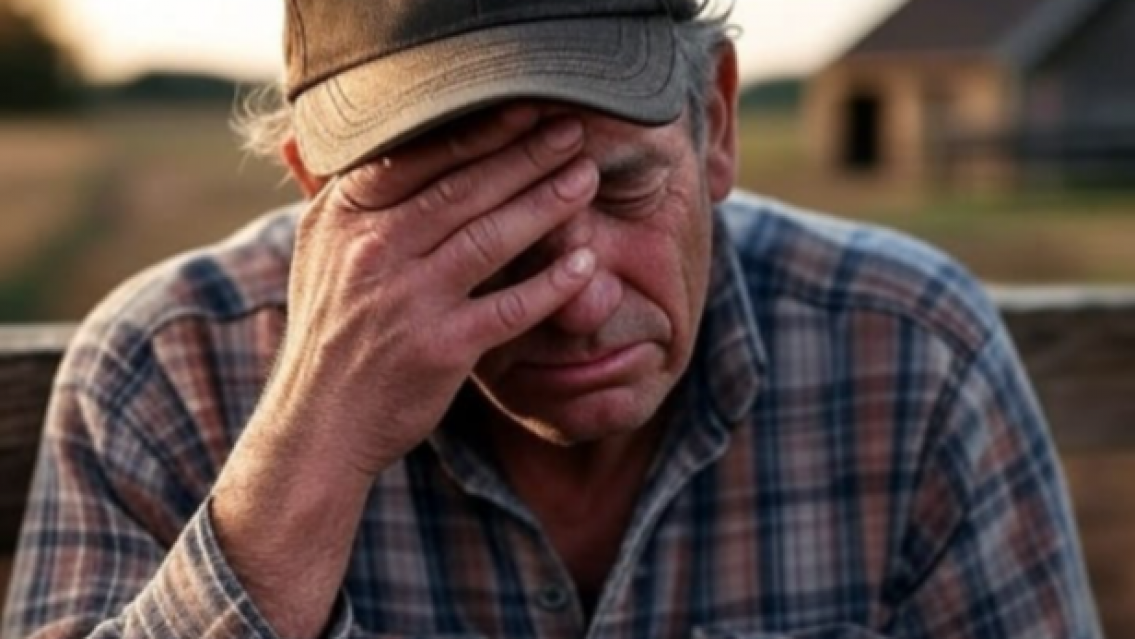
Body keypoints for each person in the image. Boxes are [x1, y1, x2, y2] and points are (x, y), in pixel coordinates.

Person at [3, 0, 1102, 637]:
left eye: (620, 191)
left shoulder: (911, 353)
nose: (574, 303)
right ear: (316, 195)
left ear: (714, 123)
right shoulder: (165, 371)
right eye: (462, 221)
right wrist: (310, 452)